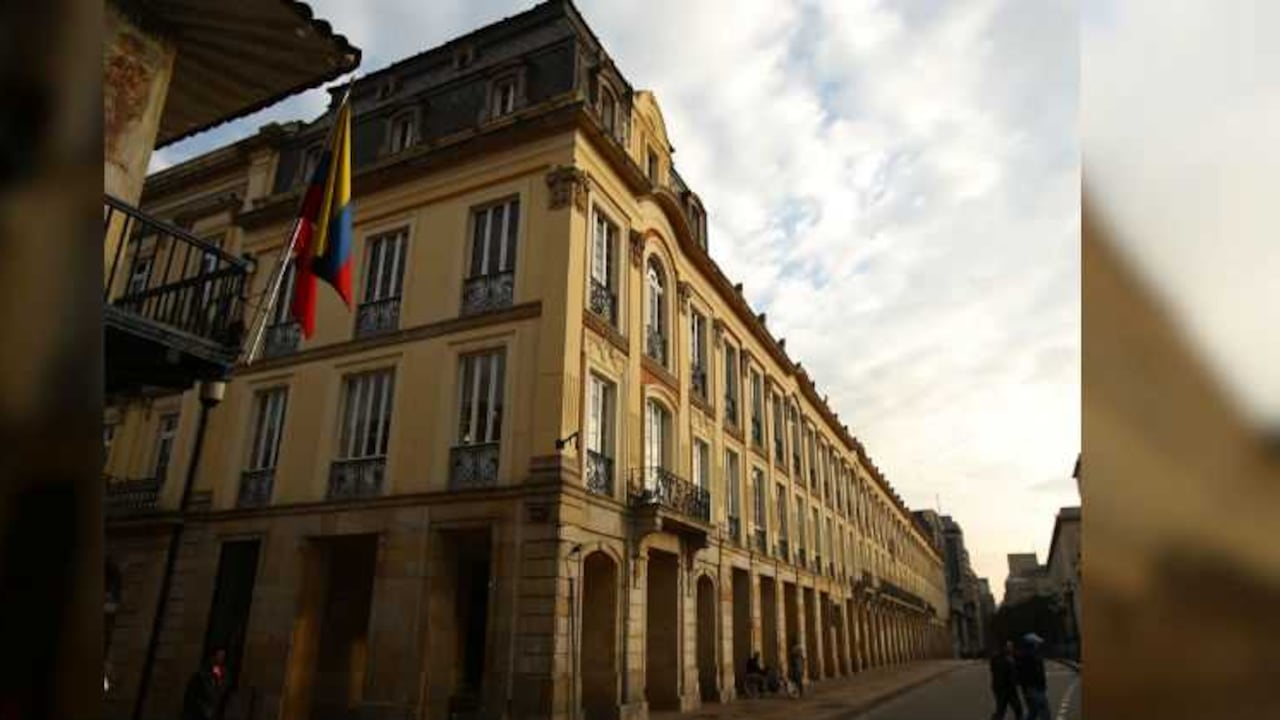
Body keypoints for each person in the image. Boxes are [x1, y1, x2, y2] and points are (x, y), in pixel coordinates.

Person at [182, 647, 228, 720]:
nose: (221, 658)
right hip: (201, 710)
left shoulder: (222, 674)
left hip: (212, 710)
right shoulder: (202, 675)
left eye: (222, 656)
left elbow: (220, 691)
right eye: (219, 655)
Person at [1016, 635, 1050, 720]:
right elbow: (1035, 673)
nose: (1038, 645)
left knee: (1033, 711)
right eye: (1036, 643)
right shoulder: (1031, 656)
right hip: (1035, 687)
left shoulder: (1024, 655)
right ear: (1032, 644)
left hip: (1030, 687)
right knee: (1043, 709)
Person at [989, 640, 1023, 720]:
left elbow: (1018, 668)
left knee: (1018, 708)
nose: (1011, 648)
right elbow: (997, 671)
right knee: (1001, 709)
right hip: (1001, 687)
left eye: (1011, 646)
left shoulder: (1014, 657)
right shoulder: (998, 658)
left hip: (1011, 687)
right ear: (1004, 648)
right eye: (1009, 646)